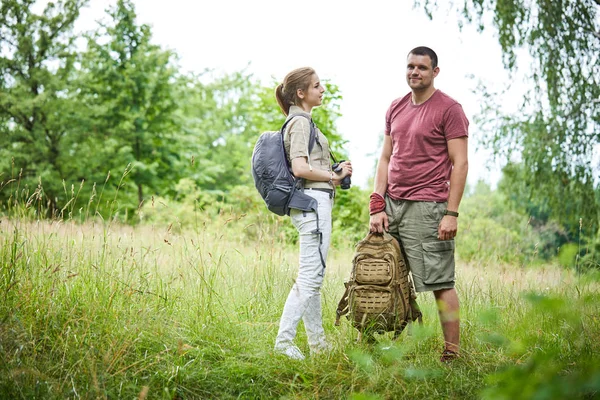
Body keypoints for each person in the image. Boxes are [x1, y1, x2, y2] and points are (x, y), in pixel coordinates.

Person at [369, 46, 469, 362]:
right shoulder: (396, 107)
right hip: (392, 207)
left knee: (439, 282)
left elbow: (461, 163)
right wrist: (377, 204)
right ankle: (393, 344)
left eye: (422, 68)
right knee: (386, 278)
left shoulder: (449, 109)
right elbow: (385, 158)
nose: (415, 72)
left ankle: (452, 353)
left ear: (435, 71)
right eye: (411, 66)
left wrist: (451, 214)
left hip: (428, 208)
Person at [273, 67, 352, 360]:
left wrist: (334, 173)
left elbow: (306, 168)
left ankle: (318, 345)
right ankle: (284, 343)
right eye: (317, 86)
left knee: (313, 278)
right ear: (301, 93)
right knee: (309, 278)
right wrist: (334, 176)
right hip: (312, 205)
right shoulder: (300, 123)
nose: (322, 90)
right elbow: (300, 169)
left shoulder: (303, 121)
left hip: (314, 204)